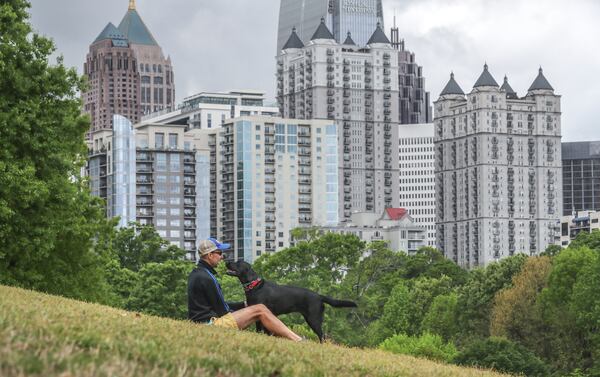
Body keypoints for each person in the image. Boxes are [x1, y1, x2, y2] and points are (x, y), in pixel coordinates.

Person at [188, 237, 302, 341]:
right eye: (219, 253)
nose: (222, 256)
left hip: (200, 322)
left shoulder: (197, 273)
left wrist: (244, 305)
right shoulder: (208, 278)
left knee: (256, 309)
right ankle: (297, 340)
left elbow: (216, 305)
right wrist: (248, 313)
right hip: (210, 325)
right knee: (260, 309)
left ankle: (288, 337)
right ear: (210, 255)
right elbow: (223, 311)